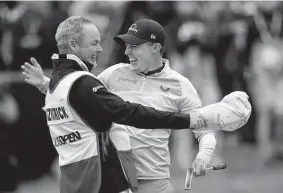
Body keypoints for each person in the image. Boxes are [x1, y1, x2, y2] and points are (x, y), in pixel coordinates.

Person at [21, 16, 251, 193]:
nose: (127, 51)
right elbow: (78, 97)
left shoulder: (181, 85)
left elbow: (204, 130)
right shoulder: (112, 74)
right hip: (118, 179)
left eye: (134, 46)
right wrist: (45, 83)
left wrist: (202, 157)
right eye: (126, 45)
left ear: (155, 47)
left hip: (154, 181)